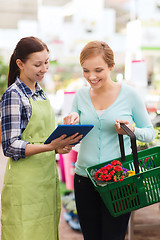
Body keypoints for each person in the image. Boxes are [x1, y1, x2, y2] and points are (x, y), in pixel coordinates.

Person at [64, 41, 155, 240]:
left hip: (118, 180)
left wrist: (131, 130)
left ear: (111, 67)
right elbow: (73, 127)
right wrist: (70, 123)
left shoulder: (130, 95)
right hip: (84, 178)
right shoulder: (80, 96)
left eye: (98, 70)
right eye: (86, 70)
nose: (91, 77)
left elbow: (149, 133)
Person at [0, 36, 82, 240]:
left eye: (46, 62)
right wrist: (50, 147)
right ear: (20, 64)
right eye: (38, 64)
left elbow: (43, 138)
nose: (44, 68)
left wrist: (60, 145)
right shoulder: (13, 95)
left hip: (45, 180)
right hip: (25, 184)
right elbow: (10, 146)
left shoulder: (40, 93)